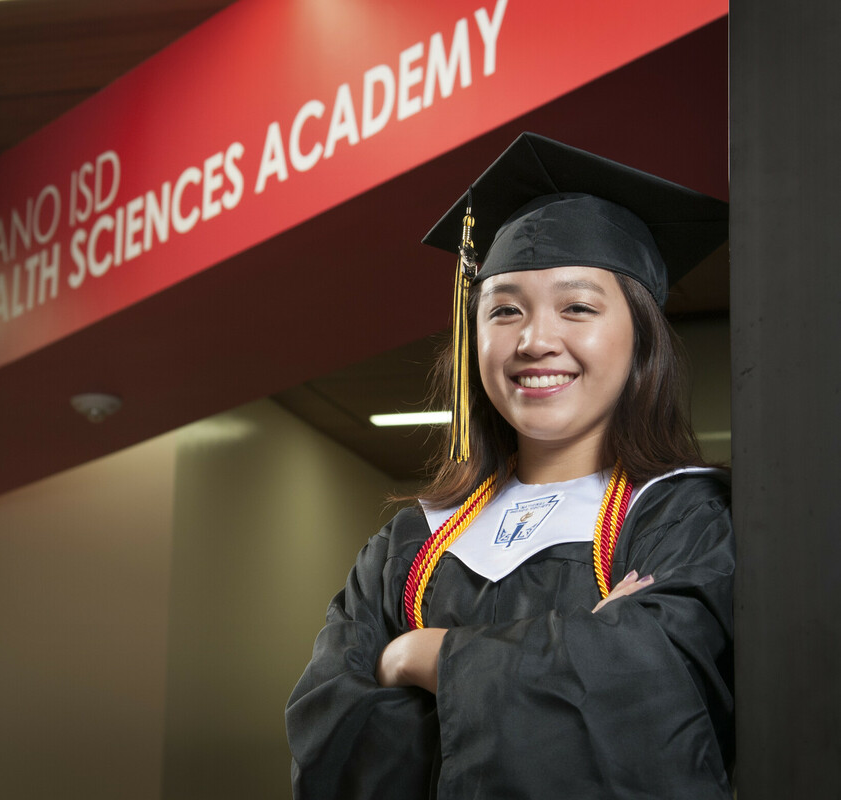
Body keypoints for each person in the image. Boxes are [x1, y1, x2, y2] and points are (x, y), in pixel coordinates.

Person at [285, 133, 733, 799]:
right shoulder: (410, 545)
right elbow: (327, 736)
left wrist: (417, 656)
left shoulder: (684, 516)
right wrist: (572, 657)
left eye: (576, 307)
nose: (534, 340)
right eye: (503, 310)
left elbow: (661, 715)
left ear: (642, 334)